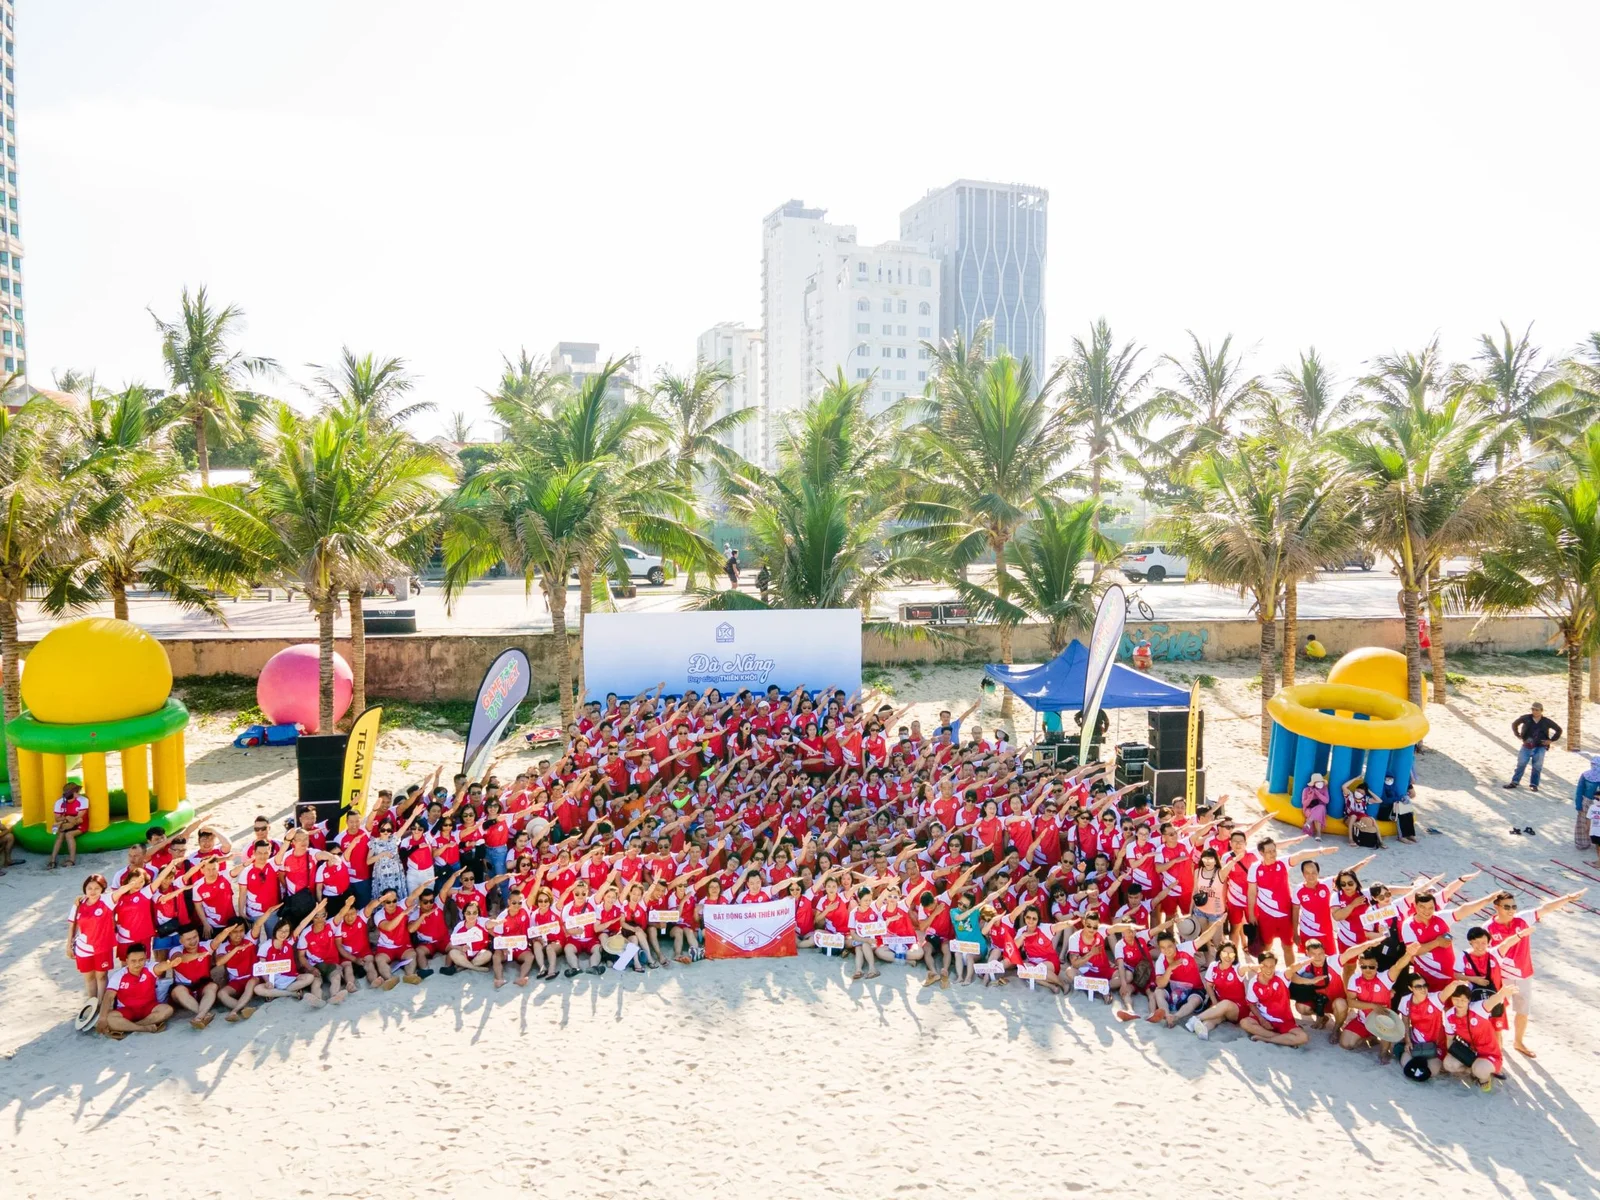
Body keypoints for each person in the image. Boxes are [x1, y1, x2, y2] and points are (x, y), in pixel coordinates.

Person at [95, 943, 174, 1038]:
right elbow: (108, 996)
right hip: (127, 1010)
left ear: (146, 959)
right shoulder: (119, 975)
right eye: (133, 961)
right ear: (127, 961)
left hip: (149, 1007)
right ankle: (143, 1028)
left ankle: (132, 1026)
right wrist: (102, 1018)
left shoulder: (150, 968)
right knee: (109, 1018)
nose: (137, 964)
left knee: (167, 1010)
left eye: (141, 960)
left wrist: (170, 964)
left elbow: (161, 966)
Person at [1505, 702, 1561, 792]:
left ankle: (1534, 784)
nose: (1534, 711)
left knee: (1537, 766)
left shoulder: (1546, 721)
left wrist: (1551, 740)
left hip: (1540, 746)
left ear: (1541, 711)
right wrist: (1518, 735)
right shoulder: (1526, 718)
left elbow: (1558, 730)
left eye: (1537, 710)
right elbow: (1514, 724)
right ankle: (1515, 782)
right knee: (1521, 764)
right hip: (1527, 745)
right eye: (1533, 709)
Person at [50, 781, 86, 869]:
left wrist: (69, 820)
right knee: (60, 834)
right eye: (77, 791)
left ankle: (72, 860)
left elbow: (80, 818)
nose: (79, 793)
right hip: (66, 822)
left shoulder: (84, 800)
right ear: (72, 793)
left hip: (80, 823)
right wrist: (67, 818)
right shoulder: (59, 802)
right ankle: (52, 860)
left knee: (68, 834)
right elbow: (57, 818)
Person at [1300, 773, 1329, 839]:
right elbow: (1304, 804)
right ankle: (1318, 834)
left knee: (1321, 808)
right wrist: (1310, 796)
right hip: (1309, 809)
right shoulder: (1306, 790)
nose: (1320, 783)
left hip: (1321, 808)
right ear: (1314, 783)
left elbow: (1326, 801)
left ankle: (1308, 822)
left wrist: (1317, 793)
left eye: (1321, 781)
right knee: (1318, 813)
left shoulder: (1324, 789)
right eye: (1318, 782)